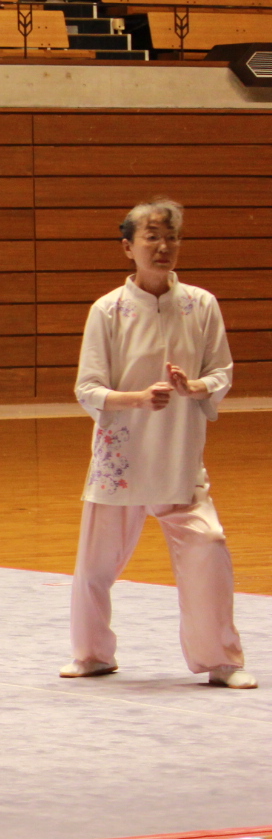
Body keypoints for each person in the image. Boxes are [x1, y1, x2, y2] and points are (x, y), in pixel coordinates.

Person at [64, 200, 254, 689]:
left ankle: (221, 658)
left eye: (171, 237)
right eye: (151, 237)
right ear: (128, 247)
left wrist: (197, 388)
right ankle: (91, 653)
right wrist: (137, 399)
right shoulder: (108, 310)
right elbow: (87, 388)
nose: (163, 246)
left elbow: (222, 372)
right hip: (120, 458)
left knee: (208, 546)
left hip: (178, 455)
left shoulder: (201, 304)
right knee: (94, 566)